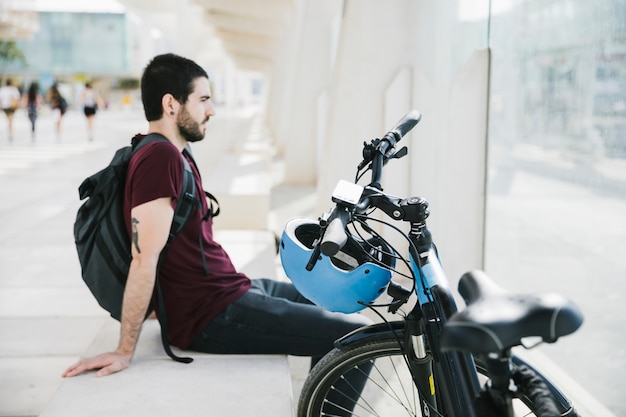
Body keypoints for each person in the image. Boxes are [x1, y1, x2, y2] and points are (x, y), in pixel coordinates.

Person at [62, 54, 371, 411]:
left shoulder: (177, 152)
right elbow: (143, 259)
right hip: (209, 313)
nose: (212, 110)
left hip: (230, 288)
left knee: (330, 299)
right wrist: (124, 349)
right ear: (171, 105)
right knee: (354, 334)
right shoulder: (159, 159)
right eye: (204, 100)